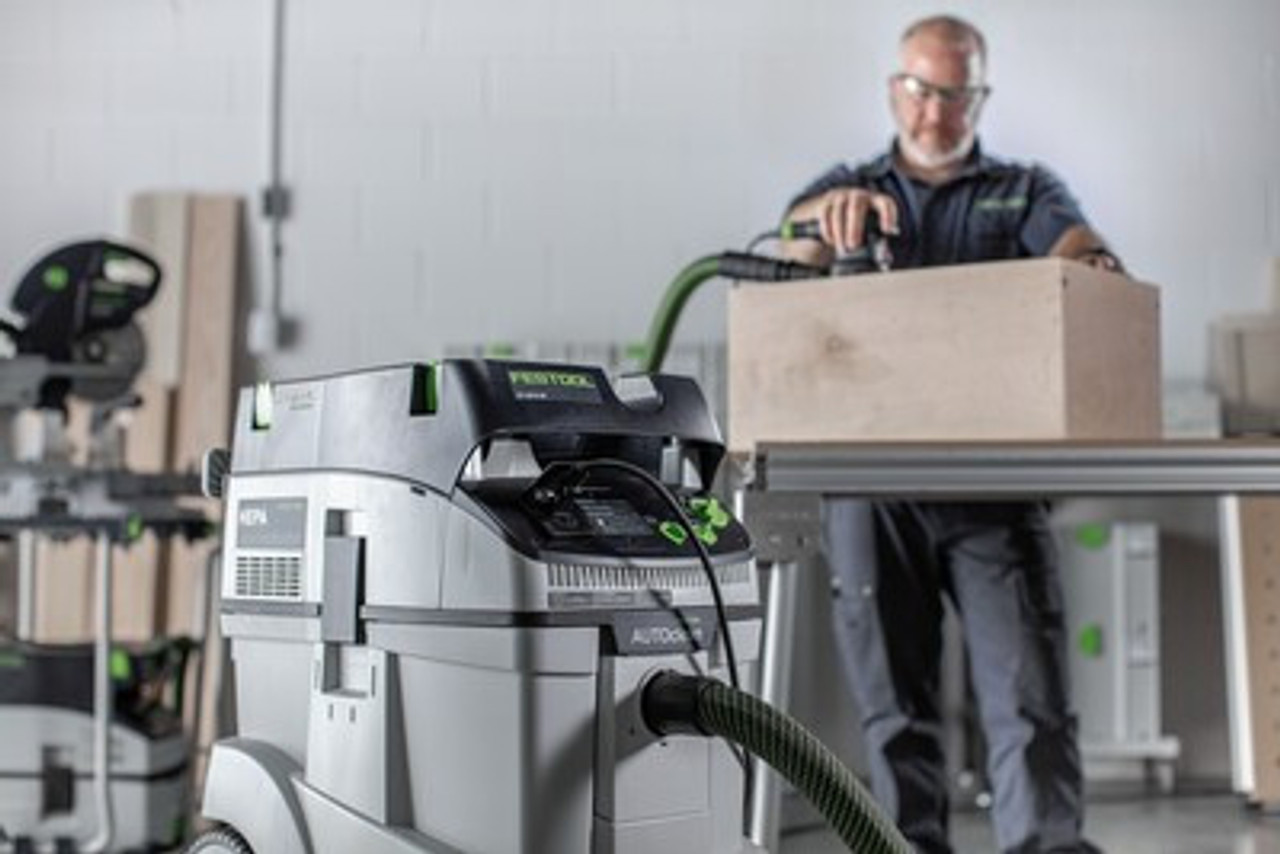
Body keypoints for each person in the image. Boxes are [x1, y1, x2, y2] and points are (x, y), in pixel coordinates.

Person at [781, 15, 1116, 854]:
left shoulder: (1025, 191)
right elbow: (786, 263)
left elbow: (1082, 255)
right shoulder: (847, 185)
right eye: (922, 92)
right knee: (894, 712)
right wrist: (823, 221)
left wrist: (1095, 261)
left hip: (993, 485)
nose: (935, 114)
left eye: (955, 95)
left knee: (1030, 700)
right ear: (896, 89)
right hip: (873, 490)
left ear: (981, 97)